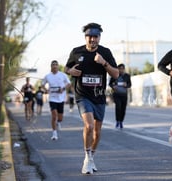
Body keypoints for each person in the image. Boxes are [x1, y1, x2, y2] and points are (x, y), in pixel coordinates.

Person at [65, 22, 119, 174]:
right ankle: (87, 158)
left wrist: (104, 63)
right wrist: (71, 71)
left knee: (97, 131)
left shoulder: (105, 52)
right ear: (85, 37)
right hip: (82, 95)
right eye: (89, 36)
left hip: (99, 96)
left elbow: (115, 74)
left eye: (95, 37)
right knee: (88, 126)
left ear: (99, 38)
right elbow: (66, 67)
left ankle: (91, 157)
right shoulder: (77, 52)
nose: (92, 40)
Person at [42, 60, 71, 140]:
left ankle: (59, 122)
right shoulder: (47, 76)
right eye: (53, 65)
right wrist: (46, 90)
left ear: (58, 66)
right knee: (54, 115)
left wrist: (63, 88)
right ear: (51, 67)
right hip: (52, 98)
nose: (54, 66)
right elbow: (42, 85)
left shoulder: (63, 75)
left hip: (61, 98)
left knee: (60, 118)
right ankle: (54, 134)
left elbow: (69, 84)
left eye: (56, 65)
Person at [109, 63, 131, 129]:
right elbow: (110, 84)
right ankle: (117, 121)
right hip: (116, 94)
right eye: (120, 69)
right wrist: (113, 86)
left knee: (123, 109)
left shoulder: (127, 76)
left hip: (124, 94)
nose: (121, 70)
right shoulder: (114, 75)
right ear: (117, 69)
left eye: (122, 69)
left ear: (124, 69)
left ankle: (121, 121)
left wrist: (126, 85)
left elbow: (130, 84)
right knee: (118, 107)